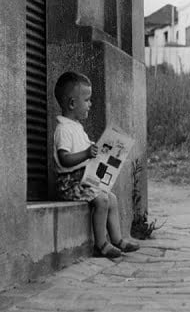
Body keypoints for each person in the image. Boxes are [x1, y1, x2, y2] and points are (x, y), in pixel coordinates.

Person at [53, 72, 140, 258]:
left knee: (112, 198)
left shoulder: (76, 127)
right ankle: (100, 244)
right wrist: (86, 153)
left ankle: (117, 239)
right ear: (72, 104)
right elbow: (64, 159)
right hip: (69, 183)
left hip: (82, 179)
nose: (90, 104)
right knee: (101, 200)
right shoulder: (63, 130)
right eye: (87, 100)